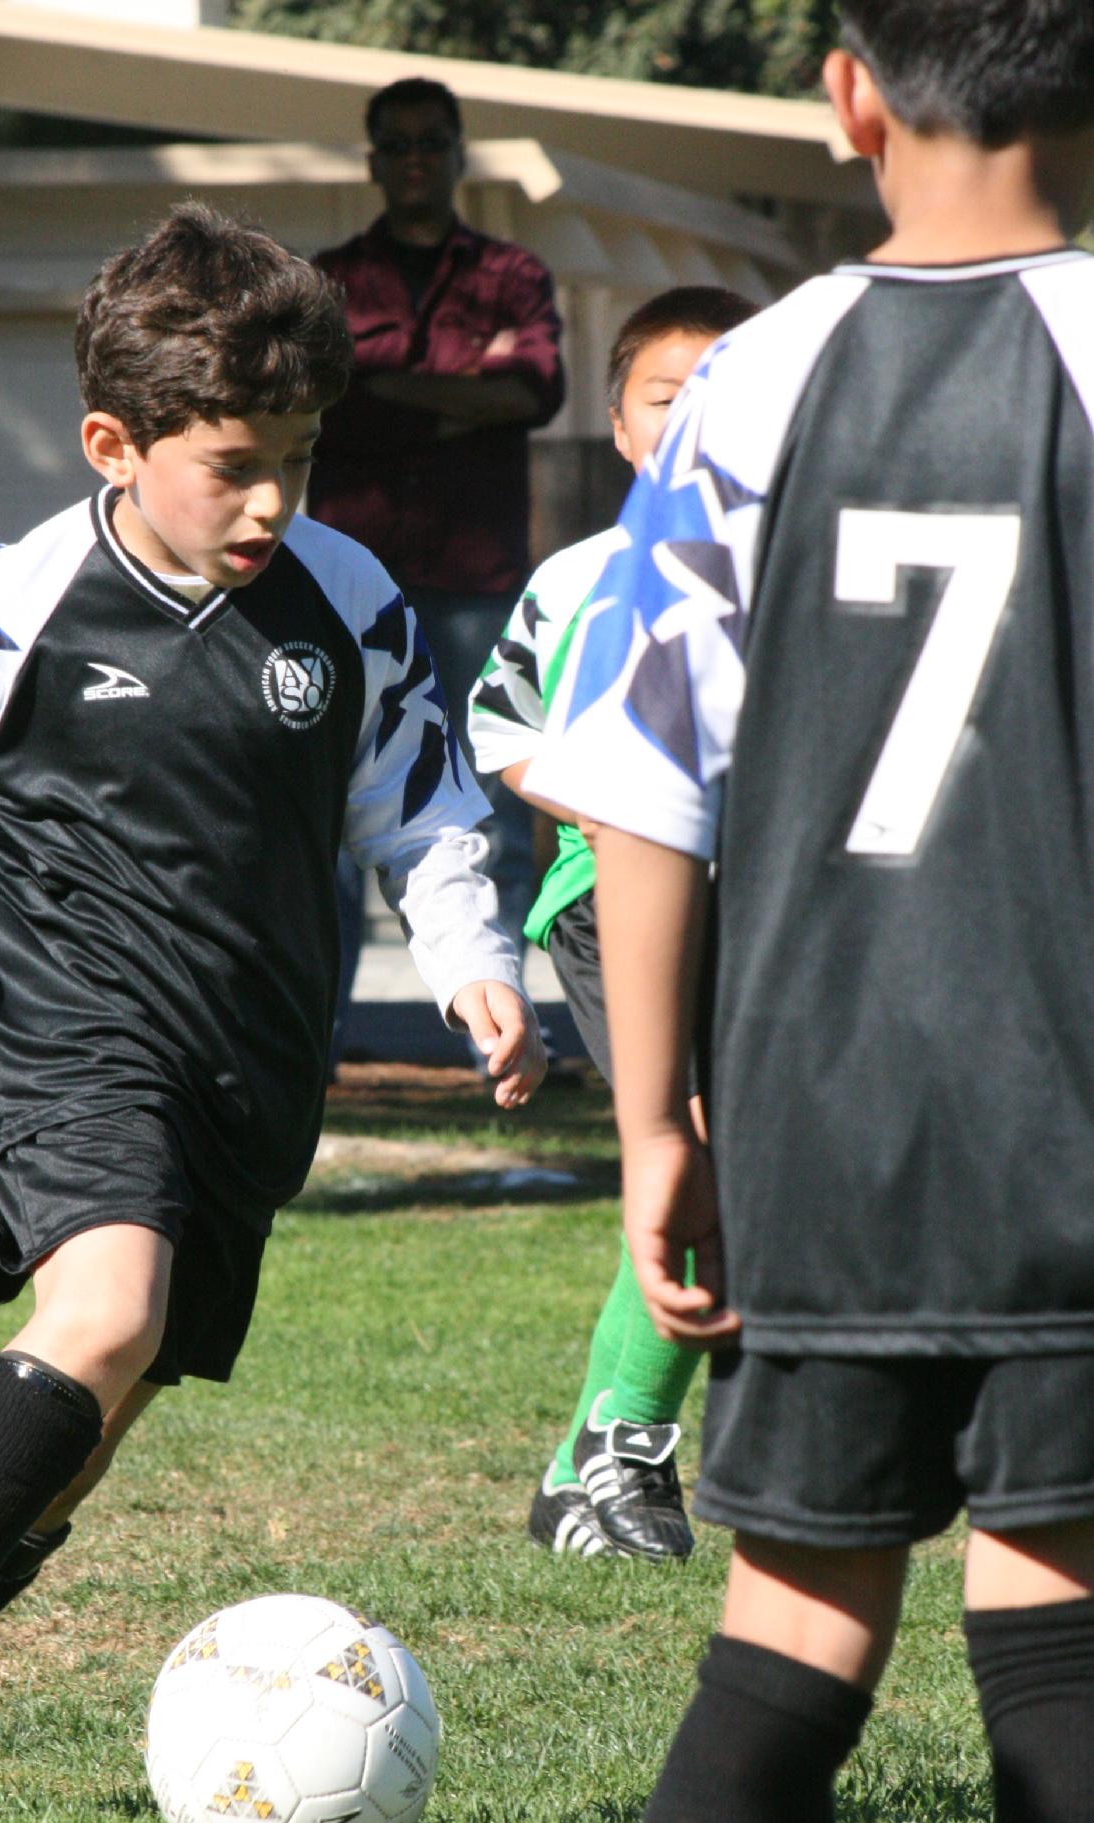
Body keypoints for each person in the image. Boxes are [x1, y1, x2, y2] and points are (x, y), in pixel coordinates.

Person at [0, 201, 545, 1823]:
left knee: (105, 1402)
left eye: (300, 461)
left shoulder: (347, 599)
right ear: (114, 444)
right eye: (234, 465)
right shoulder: (16, 600)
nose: (272, 502)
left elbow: (422, 803)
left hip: (251, 1041)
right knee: (105, 1311)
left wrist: (471, 956)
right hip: (61, 1000)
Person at [529, 2, 1094, 1823]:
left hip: (821, 1117)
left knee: (784, 1645)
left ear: (848, 97)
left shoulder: (750, 384)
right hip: (1070, 1123)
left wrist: (657, 1118)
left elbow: (642, 777)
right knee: (1063, 1657)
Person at [468, 286, 755, 1562]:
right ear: (621, 426)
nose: (693, 422)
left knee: (756, 1160)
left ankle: (592, 1462)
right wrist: (623, 805)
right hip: (612, 896)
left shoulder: (801, 561)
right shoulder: (585, 575)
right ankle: (617, 1446)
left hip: (765, 900)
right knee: (706, 1139)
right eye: (666, 399)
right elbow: (503, 730)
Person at [307, 76, 565, 1034]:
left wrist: (385, 389)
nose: (415, 158)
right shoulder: (328, 282)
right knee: (326, 809)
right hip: (349, 583)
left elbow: (535, 391)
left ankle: (499, 1033)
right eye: (398, 143)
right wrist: (464, 393)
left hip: (475, 581)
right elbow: (325, 404)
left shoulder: (513, 274)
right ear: (373, 160)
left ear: (458, 154)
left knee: (489, 807)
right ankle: (321, 1045)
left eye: (431, 141)